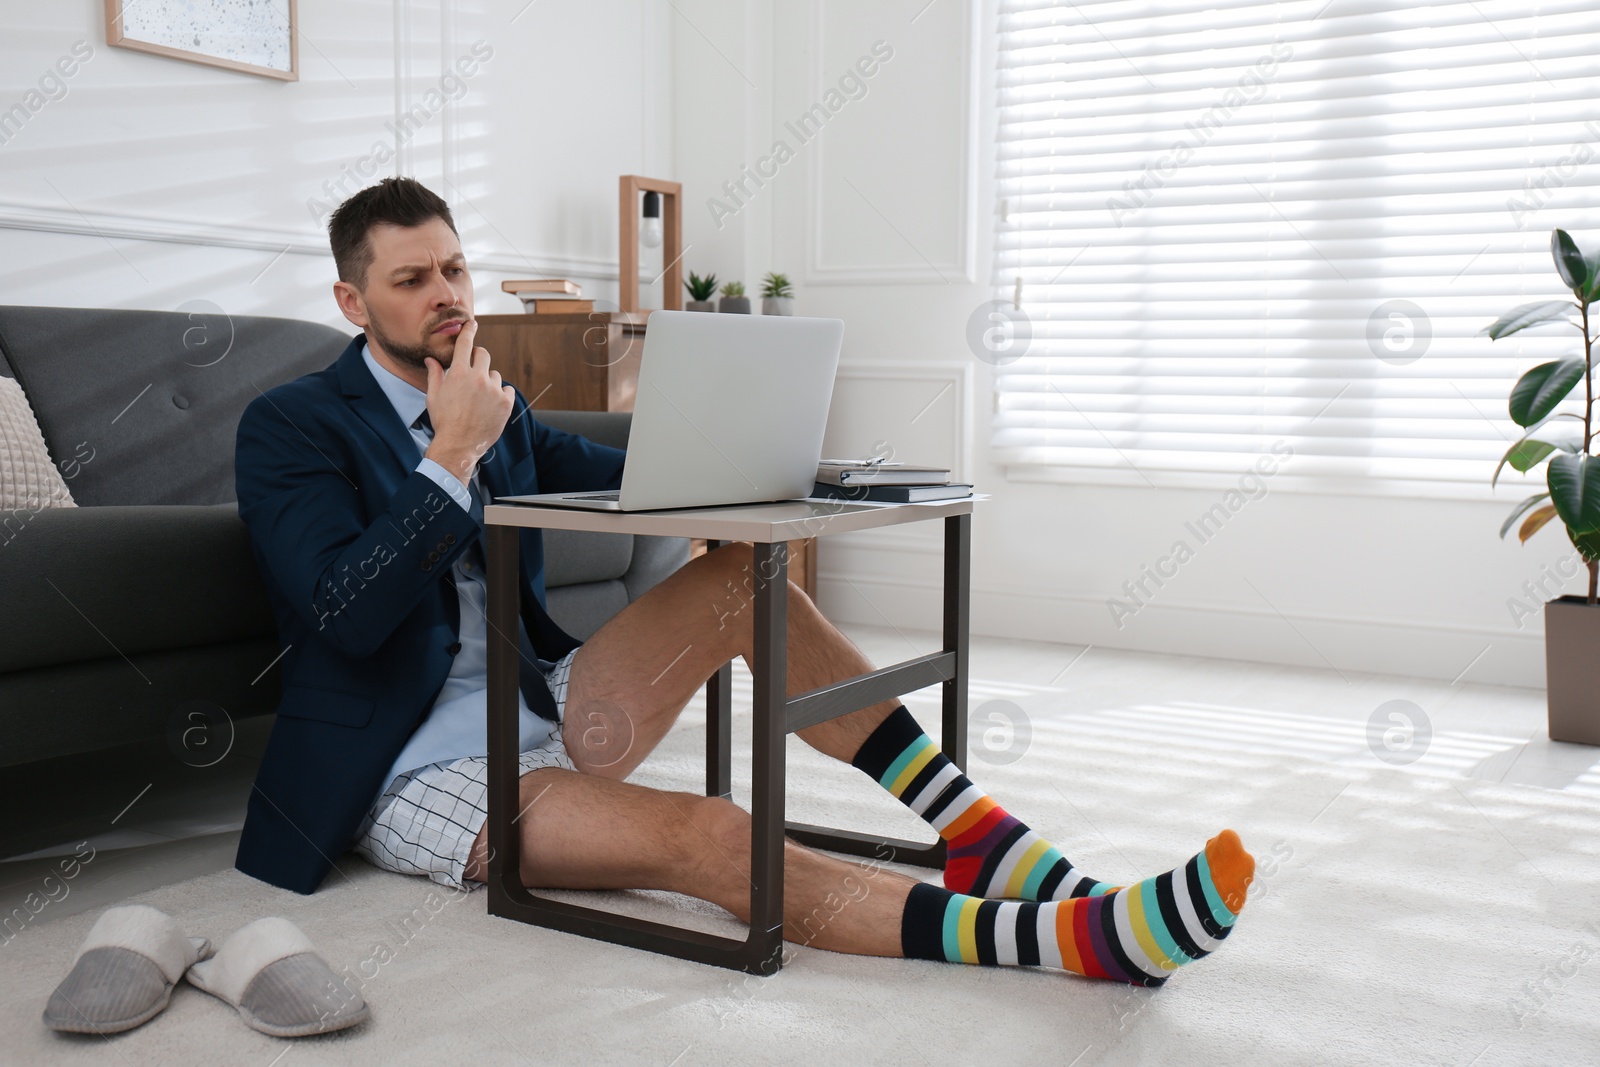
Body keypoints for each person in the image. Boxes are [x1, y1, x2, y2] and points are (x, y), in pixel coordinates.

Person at [232, 177, 1254, 986]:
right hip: (413, 770)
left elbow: (639, 469)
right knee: (714, 834)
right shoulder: (290, 425)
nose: (447, 293)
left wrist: (788, 464)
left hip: (540, 707)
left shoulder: (495, 403)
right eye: (413, 278)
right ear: (351, 300)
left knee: (737, 582)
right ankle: (1066, 941)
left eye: (455, 266)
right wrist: (446, 458)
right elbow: (344, 615)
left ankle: (980, 834)